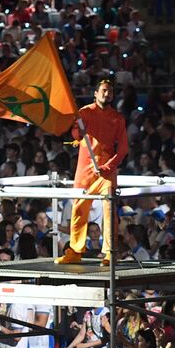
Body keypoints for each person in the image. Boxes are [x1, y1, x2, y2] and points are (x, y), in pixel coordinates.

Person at [57, 77, 128, 265]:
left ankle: (110, 252)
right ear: (96, 93)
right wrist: (77, 132)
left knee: (110, 210)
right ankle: (75, 250)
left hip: (107, 169)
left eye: (110, 91)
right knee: (79, 208)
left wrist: (109, 166)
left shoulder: (117, 117)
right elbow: (75, 134)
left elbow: (123, 148)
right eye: (103, 90)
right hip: (85, 167)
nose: (107, 93)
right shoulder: (84, 113)